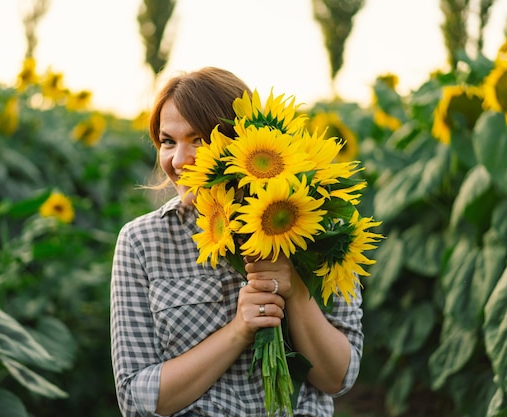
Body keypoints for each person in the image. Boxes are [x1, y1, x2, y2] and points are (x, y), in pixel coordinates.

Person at [110, 66, 363, 417]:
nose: (179, 160)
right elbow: (137, 399)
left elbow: (339, 378)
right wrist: (239, 330)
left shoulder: (313, 227)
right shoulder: (142, 242)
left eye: (198, 139)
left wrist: (293, 288)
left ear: (240, 141)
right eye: (168, 141)